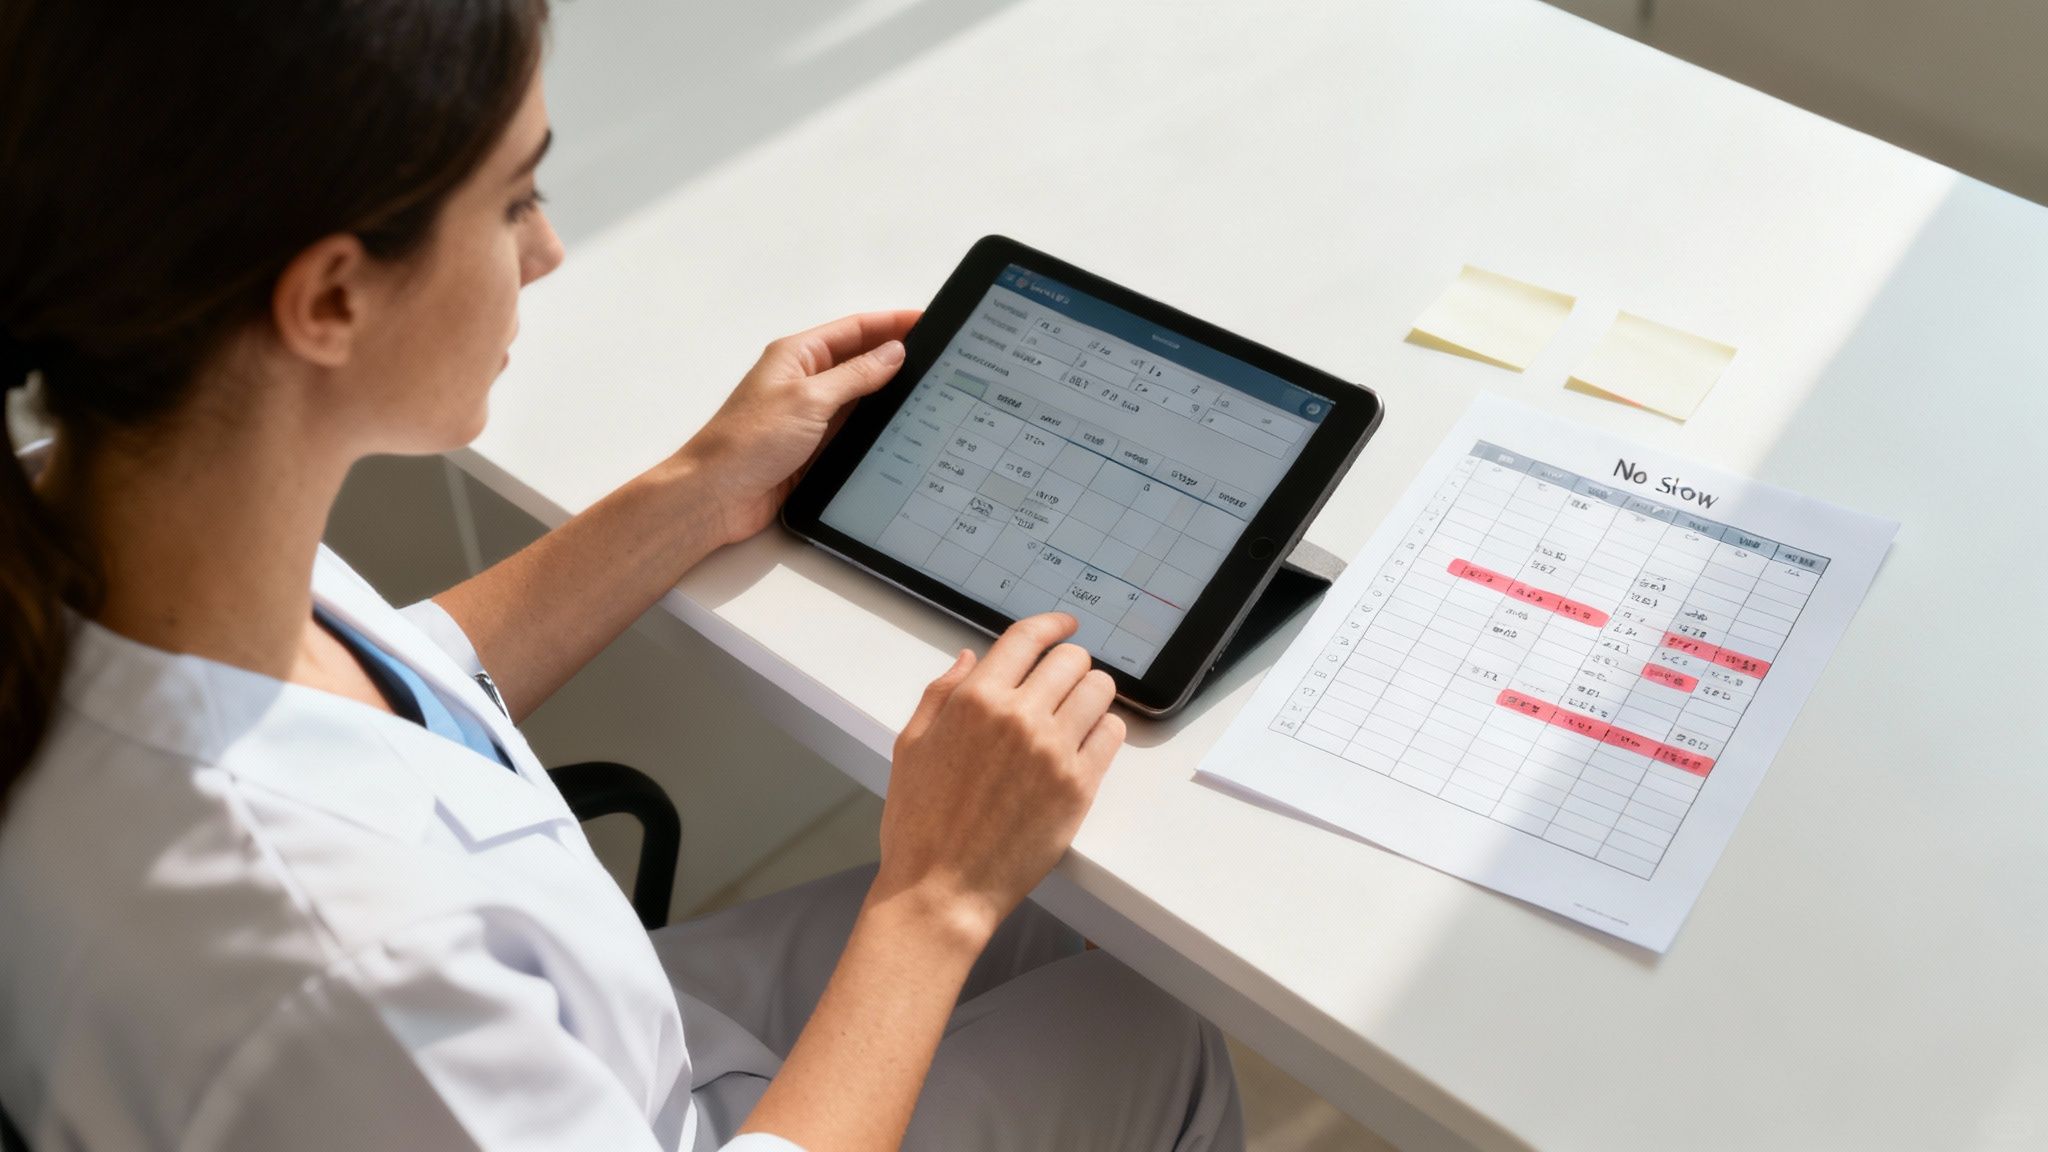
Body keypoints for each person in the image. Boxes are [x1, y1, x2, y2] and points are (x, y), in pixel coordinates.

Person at [0, 3, 1242, 1150]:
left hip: (607, 1036)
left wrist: (696, 488)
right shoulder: (338, 965)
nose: (544, 250)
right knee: (1156, 1033)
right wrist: (934, 898)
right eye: (512, 201)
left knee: (1085, 948)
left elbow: (379, 701)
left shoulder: (120, 508)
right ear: (329, 296)